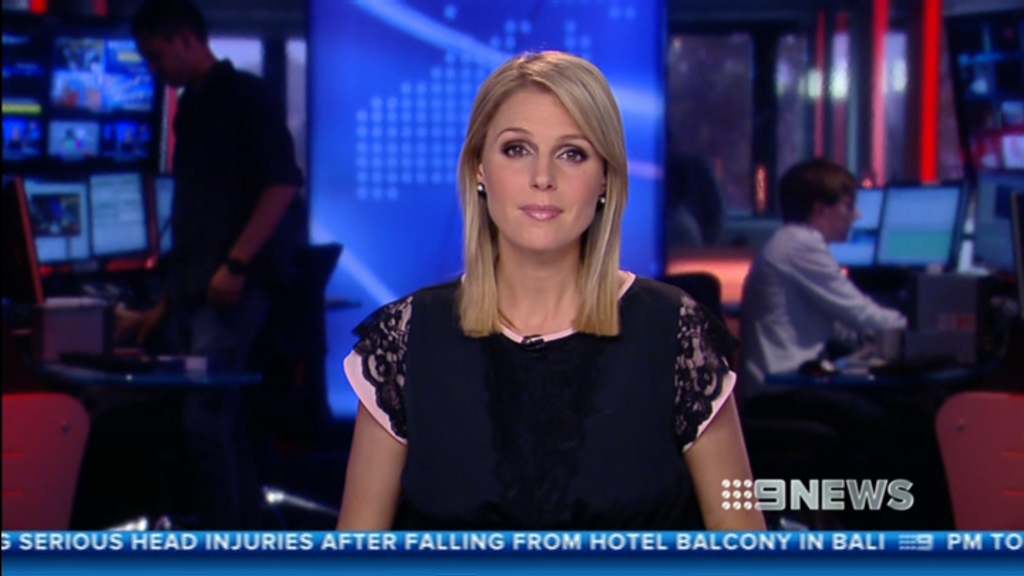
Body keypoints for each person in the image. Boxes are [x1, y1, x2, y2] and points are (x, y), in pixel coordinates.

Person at [336, 51, 764, 531]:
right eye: (516, 149)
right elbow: (357, 553)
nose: (543, 178)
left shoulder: (675, 333)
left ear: (606, 178)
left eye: (572, 153)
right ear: (479, 168)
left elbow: (744, 549)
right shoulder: (406, 340)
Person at [118, 0, 306, 529]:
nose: (154, 70)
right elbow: (197, 215)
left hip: (233, 291)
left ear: (185, 39)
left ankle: (224, 548)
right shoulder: (193, 107)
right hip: (198, 291)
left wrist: (237, 264)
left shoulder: (245, 96)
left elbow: (282, 184)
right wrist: (164, 305)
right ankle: (248, 530)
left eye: (156, 56)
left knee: (205, 419)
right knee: (221, 419)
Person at [740, 158, 907, 398]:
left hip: (787, 383)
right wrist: (921, 328)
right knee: (897, 412)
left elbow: (840, 325)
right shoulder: (800, 245)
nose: (857, 215)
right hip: (783, 390)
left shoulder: (792, 241)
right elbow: (860, 314)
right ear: (820, 209)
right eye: (848, 206)